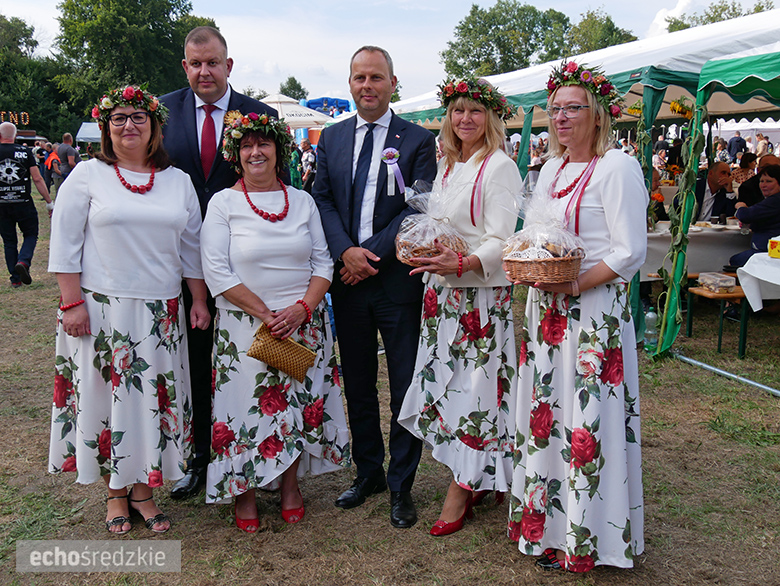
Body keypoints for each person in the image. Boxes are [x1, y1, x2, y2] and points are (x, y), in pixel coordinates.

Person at [47, 85, 210, 535]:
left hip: (161, 312)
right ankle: (115, 493)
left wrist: (198, 297)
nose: (128, 125)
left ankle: (143, 490)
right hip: (101, 309)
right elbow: (65, 243)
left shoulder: (176, 181)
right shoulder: (86, 175)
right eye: (118, 118)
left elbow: (192, 248)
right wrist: (72, 302)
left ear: (155, 126)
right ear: (106, 127)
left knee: (148, 403)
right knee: (107, 401)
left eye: (138, 117)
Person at [507, 61, 646, 572]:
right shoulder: (549, 170)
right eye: (555, 109)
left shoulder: (617, 167)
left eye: (572, 108)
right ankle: (549, 529)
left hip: (591, 312)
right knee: (551, 414)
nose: (561, 118)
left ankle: (590, 537)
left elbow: (629, 251)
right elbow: (540, 236)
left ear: (598, 113)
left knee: (587, 419)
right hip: (547, 311)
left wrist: (574, 283)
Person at [200, 112, 350, 531]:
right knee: (245, 410)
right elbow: (216, 269)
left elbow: (323, 260)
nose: (255, 152)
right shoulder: (223, 203)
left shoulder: (301, 201)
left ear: (278, 150)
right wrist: (266, 315)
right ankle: (244, 492)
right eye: (246, 145)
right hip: (245, 326)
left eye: (263, 144)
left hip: (303, 322)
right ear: (236, 154)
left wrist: (302, 308)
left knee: (296, 407)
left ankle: (289, 486)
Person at [312, 46, 437, 528]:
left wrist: (370, 257)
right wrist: (346, 251)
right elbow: (321, 197)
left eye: (377, 77)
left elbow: (417, 207)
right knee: (360, 382)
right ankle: (369, 473)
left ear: (392, 83)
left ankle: (402, 485)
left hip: (395, 283)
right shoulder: (332, 137)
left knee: (404, 384)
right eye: (360, 77)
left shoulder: (417, 140)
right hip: (346, 282)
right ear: (350, 83)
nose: (368, 85)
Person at [398, 78, 521, 536]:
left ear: (490, 117)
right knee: (447, 384)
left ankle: (462, 485)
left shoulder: (500, 166)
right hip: (442, 293)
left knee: (476, 388)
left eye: (474, 111)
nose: (464, 119)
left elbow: (503, 240)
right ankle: (483, 473)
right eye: (457, 111)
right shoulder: (449, 165)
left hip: (478, 295)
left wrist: (466, 262)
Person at [160, 25, 278, 500]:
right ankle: (200, 459)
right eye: (195, 63)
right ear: (185, 66)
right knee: (194, 364)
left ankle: (263, 457)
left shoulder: (259, 115)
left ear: (229, 66)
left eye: (213, 62)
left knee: (254, 363)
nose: (204, 70)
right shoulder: (161, 113)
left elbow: (276, 190)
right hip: (180, 263)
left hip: (245, 267)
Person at [0, 122, 54, 288]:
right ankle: (23, 262)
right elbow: (37, 178)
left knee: (9, 241)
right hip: (23, 202)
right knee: (31, 234)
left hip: (2, 204)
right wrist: (49, 202)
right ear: (15, 136)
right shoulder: (24, 152)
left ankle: (15, 278)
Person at [729, 164, 780, 267]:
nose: (764, 185)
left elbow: (746, 215)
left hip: (769, 253)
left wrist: (741, 207)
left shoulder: (775, 200)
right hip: (767, 251)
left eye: (769, 181)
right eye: (761, 181)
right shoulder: (771, 200)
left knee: (734, 261)